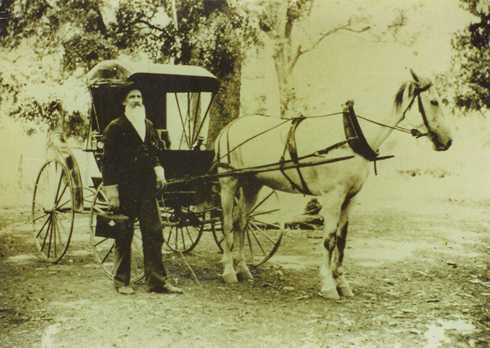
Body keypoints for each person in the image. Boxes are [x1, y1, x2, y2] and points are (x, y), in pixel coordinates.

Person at [102, 87, 183, 295]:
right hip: (126, 188)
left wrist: (159, 171)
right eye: (132, 97)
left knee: (154, 232)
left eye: (139, 96)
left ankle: (157, 282)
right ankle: (122, 282)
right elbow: (108, 163)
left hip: (147, 187)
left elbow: (155, 153)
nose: (136, 100)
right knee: (123, 233)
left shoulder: (148, 125)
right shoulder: (115, 127)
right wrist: (112, 192)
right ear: (124, 102)